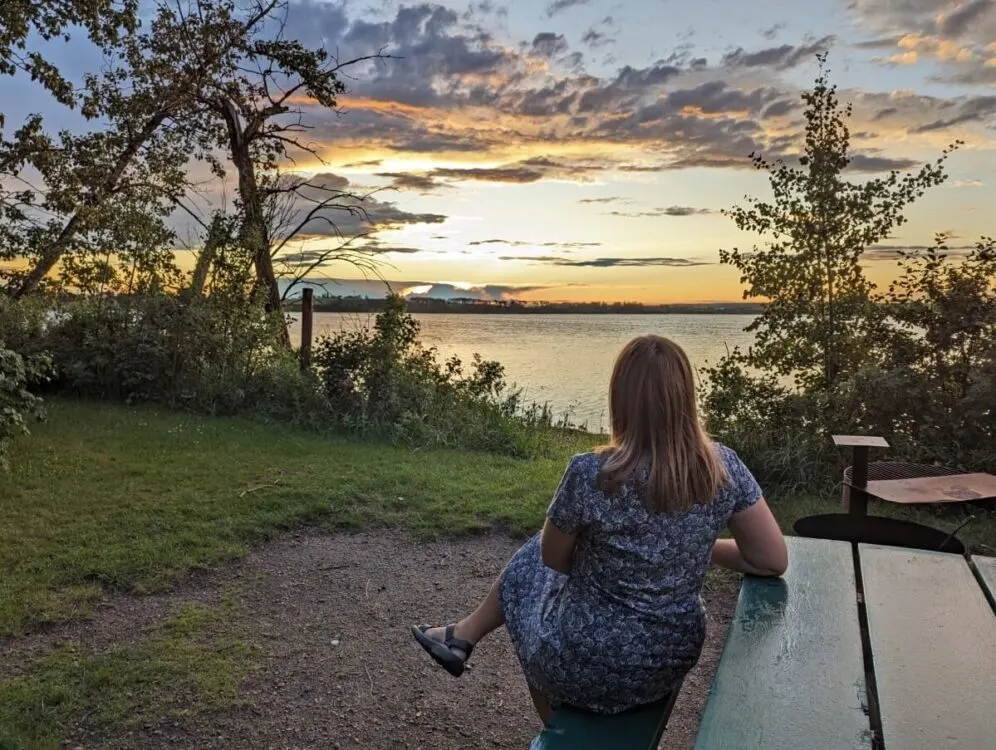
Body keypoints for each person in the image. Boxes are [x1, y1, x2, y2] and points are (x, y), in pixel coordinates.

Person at [410, 335, 788, 723]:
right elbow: (772, 558)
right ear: (685, 396)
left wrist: (672, 549)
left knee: (530, 569)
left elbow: (553, 558)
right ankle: (461, 635)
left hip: (586, 661)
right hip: (670, 658)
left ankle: (540, 716)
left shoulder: (592, 472)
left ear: (620, 396)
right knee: (533, 558)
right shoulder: (722, 467)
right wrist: (683, 547)